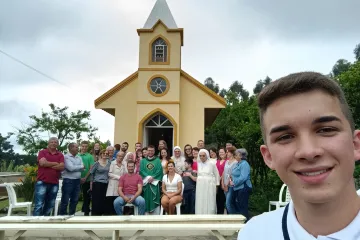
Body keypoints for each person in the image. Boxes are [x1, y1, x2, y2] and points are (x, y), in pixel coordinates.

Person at [238, 72, 360, 239]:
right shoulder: (254, 234)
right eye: (285, 137)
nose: (308, 152)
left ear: (356, 144)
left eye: (326, 130)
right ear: (268, 157)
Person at [33, 137, 65, 216]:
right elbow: (42, 164)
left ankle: (45, 222)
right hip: (42, 182)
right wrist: (55, 163)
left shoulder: (60, 154)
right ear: (48, 143)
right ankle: (35, 224)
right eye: (52, 142)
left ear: (57, 144)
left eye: (55, 142)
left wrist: (48, 163)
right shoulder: (42, 152)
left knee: (50, 205)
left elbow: (62, 167)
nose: (53, 143)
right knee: (39, 204)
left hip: (54, 183)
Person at [59, 142, 84, 215]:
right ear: (71, 148)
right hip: (68, 181)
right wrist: (79, 167)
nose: (78, 149)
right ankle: (62, 216)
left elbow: (83, 168)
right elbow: (70, 168)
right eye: (76, 147)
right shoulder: (66, 157)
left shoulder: (79, 157)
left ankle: (71, 215)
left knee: (75, 200)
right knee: (65, 200)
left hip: (77, 181)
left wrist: (76, 167)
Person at [195, 149, 220, 214]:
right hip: (200, 185)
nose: (202, 157)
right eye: (200, 156)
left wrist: (217, 186)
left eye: (203, 156)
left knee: (210, 200)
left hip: (209, 184)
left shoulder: (212, 163)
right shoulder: (199, 164)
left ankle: (210, 214)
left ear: (207, 155)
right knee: (200, 199)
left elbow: (217, 174)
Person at [140, 145, 163, 214]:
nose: (150, 152)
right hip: (146, 183)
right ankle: (146, 214)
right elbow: (141, 170)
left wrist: (153, 177)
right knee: (146, 198)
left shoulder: (158, 160)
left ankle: (156, 214)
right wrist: (147, 177)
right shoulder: (143, 161)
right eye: (149, 150)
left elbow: (159, 171)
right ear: (146, 151)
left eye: (152, 150)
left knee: (155, 197)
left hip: (154, 183)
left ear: (154, 151)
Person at [230, 148, 252, 220]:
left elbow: (243, 177)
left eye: (236, 154)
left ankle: (245, 223)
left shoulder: (244, 164)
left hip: (243, 188)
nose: (235, 156)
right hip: (237, 188)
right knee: (236, 204)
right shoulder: (238, 163)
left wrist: (234, 182)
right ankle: (239, 221)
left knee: (243, 206)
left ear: (241, 155)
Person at [90, 149, 111, 216]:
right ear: (101, 154)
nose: (105, 154)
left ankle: (104, 214)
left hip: (106, 184)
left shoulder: (110, 163)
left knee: (105, 200)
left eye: (106, 153)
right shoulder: (97, 163)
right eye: (103, 153)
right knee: (97, 200)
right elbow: (92, 173)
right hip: (97, 184)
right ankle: (96, 215)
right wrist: (91, 184)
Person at [79, 141, 95, 216]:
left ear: (87, 147)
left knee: (86, 197)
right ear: (80, 146)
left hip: (87, 179)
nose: (84, 148)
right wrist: (80, 178)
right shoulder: (77, 155)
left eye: (86, 146)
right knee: (75, 196)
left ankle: (86, 212)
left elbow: (91, 168)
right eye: (83, 146)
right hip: (77, 179)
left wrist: (85, 177)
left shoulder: (90, 156)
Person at [222, 146, 237, 214]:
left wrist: (227, 185)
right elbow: (224, 172)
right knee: (228, 204)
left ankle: (235, 219)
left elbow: (232, 174)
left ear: (232, 153)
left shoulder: (235, 162)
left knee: (228, 204)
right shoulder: (227, 161)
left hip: (230, 186)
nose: (226, 153)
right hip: (224, 184)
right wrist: (222, 183)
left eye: (228, 152)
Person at [216, 147, 227, 214]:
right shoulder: (217, 161)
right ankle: (219, 214)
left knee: (223, 199)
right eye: (220, 152)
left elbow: (226, 171)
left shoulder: (227, 161)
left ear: (226, 153)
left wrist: (220, 178)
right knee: (218, 199)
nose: (221, 154)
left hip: (224, 182)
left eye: (222, 152)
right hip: (217, 182)